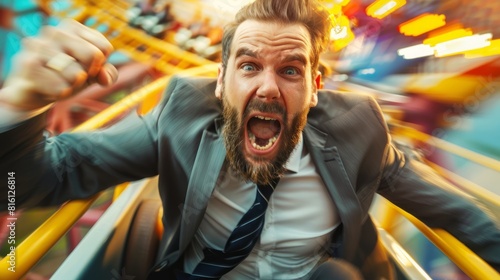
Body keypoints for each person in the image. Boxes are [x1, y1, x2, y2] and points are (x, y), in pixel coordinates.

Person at [0, 0, 499, 279]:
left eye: (290, 69)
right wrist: (20, 106)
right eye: (248, 66)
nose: (266, 87)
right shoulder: (181, 114)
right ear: (220, 83)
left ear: (315, 87)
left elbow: (448, 208)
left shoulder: (359, 126)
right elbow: (42, 179)